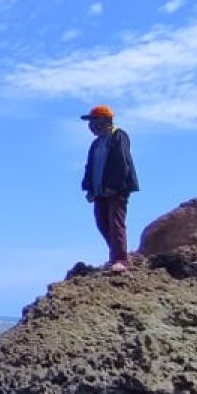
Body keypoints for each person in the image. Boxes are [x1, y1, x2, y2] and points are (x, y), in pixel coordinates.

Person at [80, 105, 139, 272]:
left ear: (105, 120)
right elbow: (90, 167)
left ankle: (120, 259)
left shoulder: (118, 136)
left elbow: (121, 161)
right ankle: (117, 254)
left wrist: (114, 186)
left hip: (116, 190)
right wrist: (88, 188)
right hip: (99, 192)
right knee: (102, 222)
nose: (91, 126)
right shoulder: (96, 144)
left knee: (115, 223)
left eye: (94, 121)